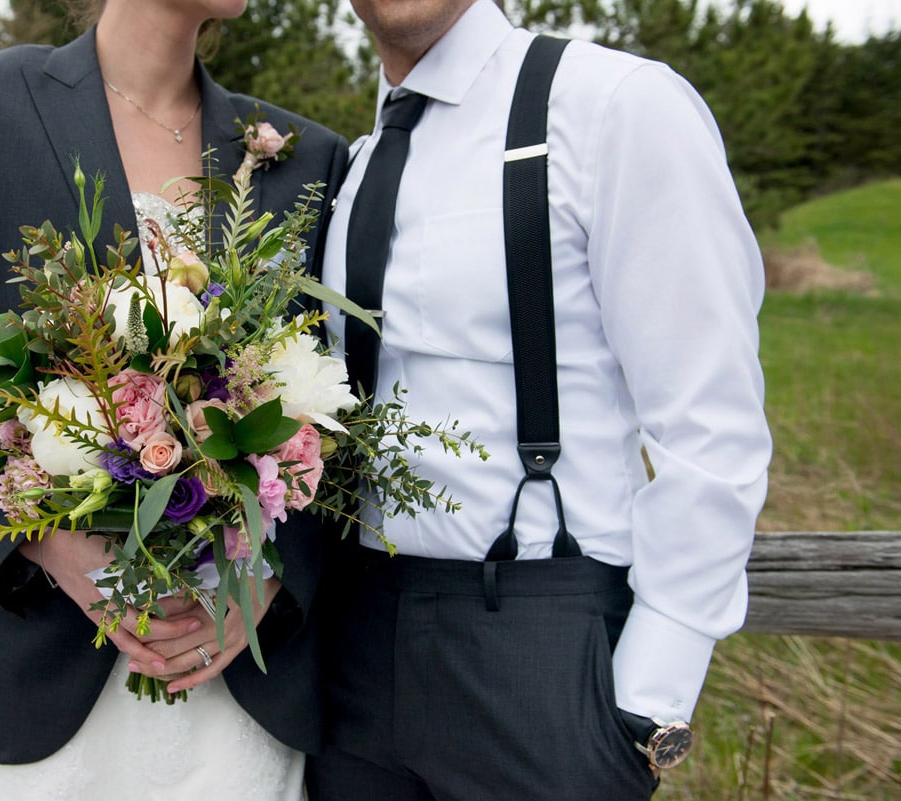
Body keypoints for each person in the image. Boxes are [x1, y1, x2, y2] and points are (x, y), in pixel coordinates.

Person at [0, 1, 347, 798]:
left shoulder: (302, 158)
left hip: (237, 675)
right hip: (42, 664)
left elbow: (336, 411)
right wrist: (46, 544)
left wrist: (268, 579)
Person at [309, 1, 772, 799]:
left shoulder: (616, 107)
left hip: (539, 653)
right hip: (354, 658)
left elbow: (713, 426)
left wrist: (640, 714)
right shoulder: (355, 159)